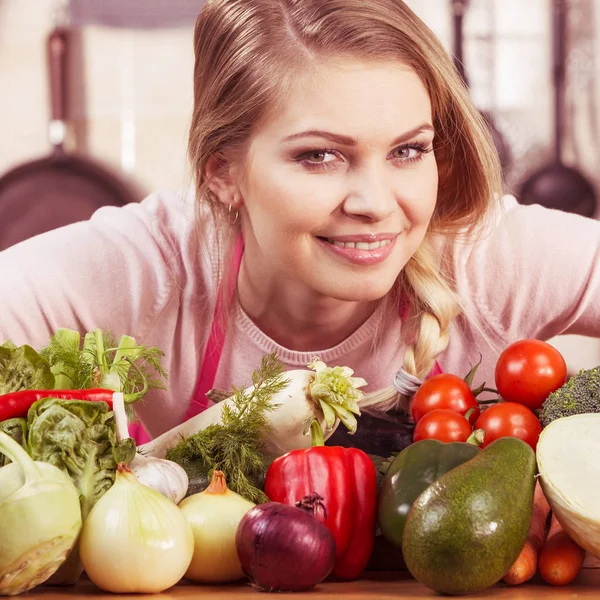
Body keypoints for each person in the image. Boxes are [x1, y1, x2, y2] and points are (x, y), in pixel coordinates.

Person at [1, 0, 599, 450]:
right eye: (320, 156)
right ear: (223, 173)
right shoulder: (151, 268)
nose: (375, 202)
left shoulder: (482, 254)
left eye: (409, 151)